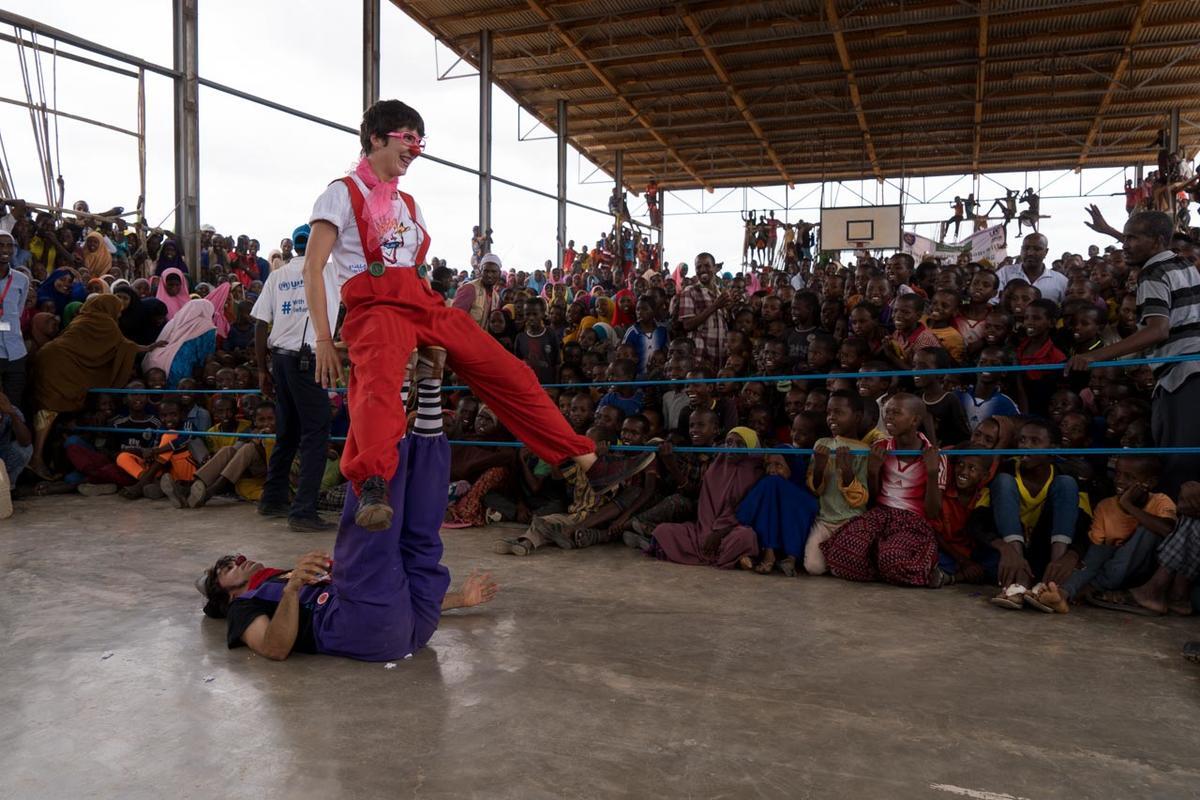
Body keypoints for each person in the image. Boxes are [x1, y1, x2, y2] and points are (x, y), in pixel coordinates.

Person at [302, 99, 645, 531]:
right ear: (376, 137)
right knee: (379, 378)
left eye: (419, 141)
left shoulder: (408, 203)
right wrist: (321, 339)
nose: (414, 149)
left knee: (509, 371)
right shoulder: (340, 193)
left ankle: (586, 460)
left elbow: (412, 268)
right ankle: (372, 481)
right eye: (407, 138)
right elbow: (314, 267)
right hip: (374, 307)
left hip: (421, 301)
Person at [199, 399, 499, 662]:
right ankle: (393, 394)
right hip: (359, 627)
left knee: (418, 536)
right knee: (367, 539)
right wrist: (292, 590)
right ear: (224, 595)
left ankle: (428, 389)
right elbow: (273, 648)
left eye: (233, 557)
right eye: (226, 567)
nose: (237, 560)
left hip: (410, 625)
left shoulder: (279, 576)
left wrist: (460, 599)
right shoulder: (242, 607)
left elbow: (387, 592)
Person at [1066, 211, 1200, 499]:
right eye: (1124, 237)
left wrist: (1095, 356)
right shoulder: (1182, 262)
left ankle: (1177, 536)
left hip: (1184, 375)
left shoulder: (1151, 274)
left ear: (1156, 241)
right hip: (1190, 370)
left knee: (1180, 465)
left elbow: (1157, 330)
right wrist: (1110, 231)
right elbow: (1154, 244)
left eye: (1132, 238)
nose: (1125, 244)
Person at [252, 223, 337, 532]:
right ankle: (303, 510)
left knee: (287, 432)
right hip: (308, 360)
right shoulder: (328, 272)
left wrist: (263, 368)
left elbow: (261, 324)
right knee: (317, 432)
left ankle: (272, 498)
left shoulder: (277, 276)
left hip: (281, 361)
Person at [29, 295, 161, 480]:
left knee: (47, 411)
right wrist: (147, 348)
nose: (119, 314)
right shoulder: (104, 322)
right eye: (118, 310)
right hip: (59, 367)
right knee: (50, 411)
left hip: (50, 358)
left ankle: (41, 459)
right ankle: (37, 459)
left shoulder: (82, 318)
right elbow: (122, 346)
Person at [0, 231, 32, 406]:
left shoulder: (21, 280)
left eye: (9, 245)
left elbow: (18, 314)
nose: (5, 249)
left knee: (14, 405)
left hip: (16, 353)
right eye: (1, 245)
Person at [995, 233, 1068, 305]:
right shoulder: (1004, 273)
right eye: (1026, 248)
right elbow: (993, 302)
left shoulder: (1060, 281)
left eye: (1037, 249)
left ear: (1046, 252)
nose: (1030, 253)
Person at [452, 253, 501, 328]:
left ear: (499, 273)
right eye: (486, 271)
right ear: (481, 271)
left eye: (493, 272)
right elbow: (455, 319)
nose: (489, 275)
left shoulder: (496, 296)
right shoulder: (470, 289)